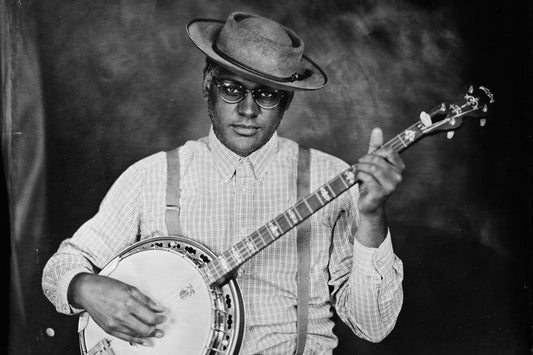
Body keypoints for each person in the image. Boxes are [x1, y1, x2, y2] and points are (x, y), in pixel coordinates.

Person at [42, 11, 405, 354]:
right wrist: (84, 287)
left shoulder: (331, 179)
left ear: (286, 101)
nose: (248, 110)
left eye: (266, 94)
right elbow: (62, 266)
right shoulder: (151, 177)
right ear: (207, 86)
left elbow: (373, 325)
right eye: (232, 89)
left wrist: (372, 217)